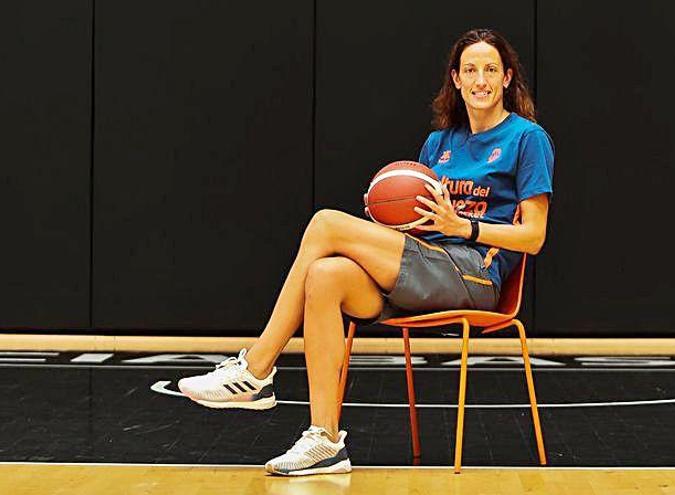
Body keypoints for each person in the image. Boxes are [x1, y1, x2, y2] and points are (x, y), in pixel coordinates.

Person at [177, 28, 554, 476]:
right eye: (470, 70)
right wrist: (384, 221)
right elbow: (416, 222)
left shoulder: (527, 139)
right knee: (326, 275)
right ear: (455, 79)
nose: (480, 80)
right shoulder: (439, 144)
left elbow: (534, 237)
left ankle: (257, 369)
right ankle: (325, 440)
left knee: (325, 223)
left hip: (475, 276)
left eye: (491, 69)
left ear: (508, 78)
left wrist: (464, 227)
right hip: (424, 267)